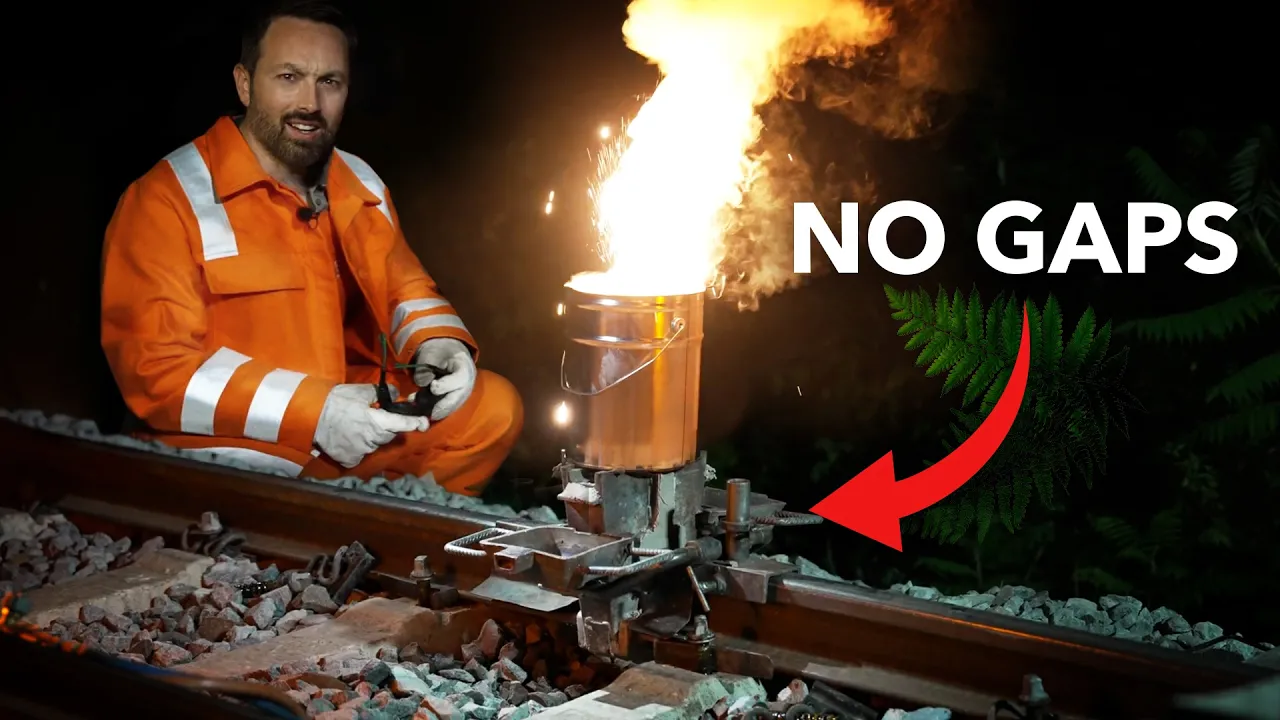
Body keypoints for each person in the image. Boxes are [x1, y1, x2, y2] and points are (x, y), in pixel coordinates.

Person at [100, 0, 523, 496]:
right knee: (267, 488)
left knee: (492, 408)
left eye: (329, 82)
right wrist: (314, 411)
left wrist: (439, 343)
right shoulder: (165, 198)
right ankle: (313, 526)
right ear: (244, 84)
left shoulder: (358, 182)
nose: (311, 103)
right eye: (289, 77)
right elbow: (155, 370)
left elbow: (404, 289)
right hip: (238, 448)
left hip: (347, 424)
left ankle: (365, 529)